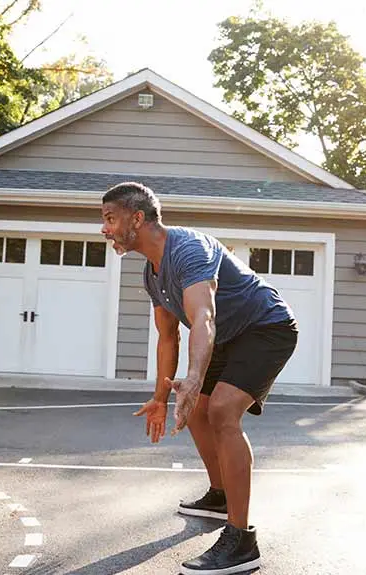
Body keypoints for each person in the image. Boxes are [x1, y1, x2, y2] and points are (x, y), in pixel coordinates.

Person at [100, 182, 298, 575]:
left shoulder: (190, 250)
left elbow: (203, 318)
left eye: (109, 219)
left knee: (223, 411)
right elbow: (168, 336)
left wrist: (193, 376)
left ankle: (242, 540)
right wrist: (161, 396)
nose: (104, 229)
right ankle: (221, 494)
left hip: (266, 327)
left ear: (137, 219)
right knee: (193, 410)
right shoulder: (151, 273)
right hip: (227, 336)